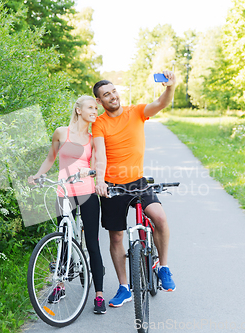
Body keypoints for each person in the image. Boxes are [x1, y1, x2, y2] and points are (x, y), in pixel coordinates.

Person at [92, 71, 178, 308]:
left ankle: (163, 267)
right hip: (112, 184)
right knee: (116, 235)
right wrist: (100, 180)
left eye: (113, 92)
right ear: (99, 101)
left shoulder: (136, 112)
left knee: (159, 217)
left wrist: (170, 87)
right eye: (106, 95)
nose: (112, 97)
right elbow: (100, 155)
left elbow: (161, 103)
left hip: (138, 182)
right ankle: (124, 287)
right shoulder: (99, 123)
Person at [28, 95, 106, 314]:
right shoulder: (62, 133)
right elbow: (51, 158)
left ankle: (99, 295)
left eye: (96, 108)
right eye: (91, 107)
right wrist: (37, 175)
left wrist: (92, 173)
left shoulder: (92, 138)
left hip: (87, 193)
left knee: (92, 243)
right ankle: (60, 285)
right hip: (63, 192)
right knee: (64, 240)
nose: (95, 110)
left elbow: (97, 163)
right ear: (79, 110)